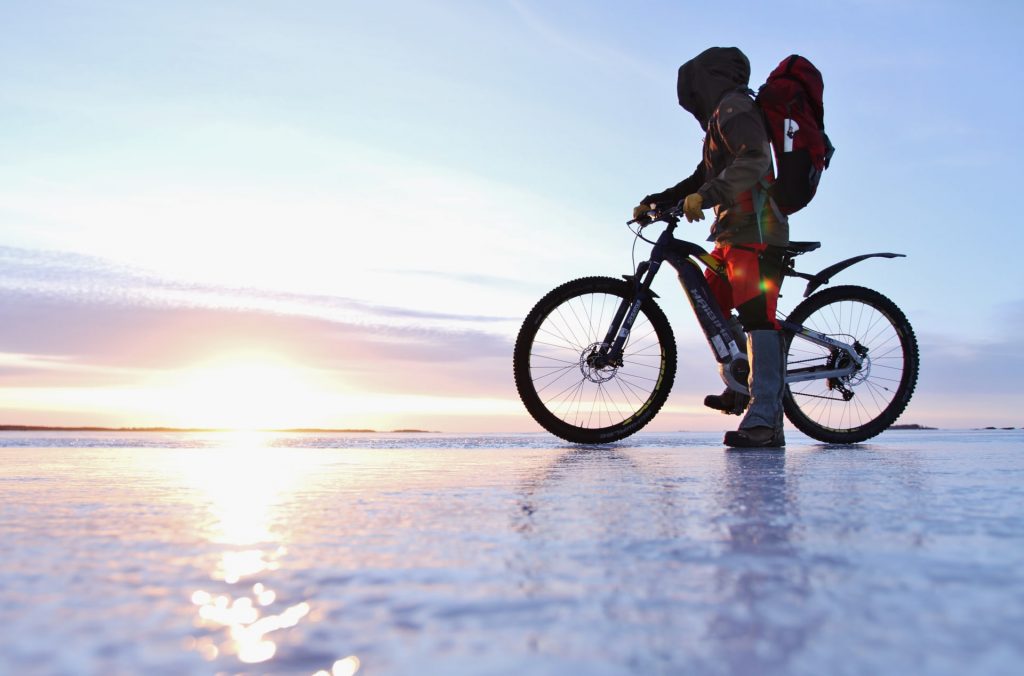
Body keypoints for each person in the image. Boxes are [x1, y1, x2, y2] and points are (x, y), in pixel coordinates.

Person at [633, 46, 787, 448]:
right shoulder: (719, 120)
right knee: (712, 304)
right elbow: (703, 176)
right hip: (731, 232)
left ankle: (766, 418)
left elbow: (754, 159)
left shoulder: (735, 108)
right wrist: (658, 200)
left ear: (706, 81)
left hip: (757, 230)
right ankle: (743, 382)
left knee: (756, 315)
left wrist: (708, 195)